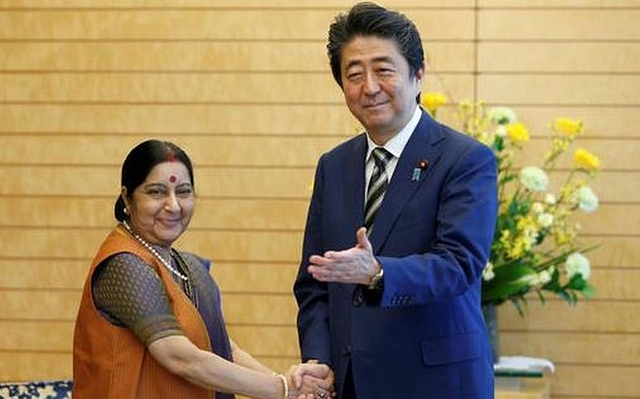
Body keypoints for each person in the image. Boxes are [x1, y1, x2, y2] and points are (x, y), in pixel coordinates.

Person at [293, 2, 498, 398]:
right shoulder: (334, 166)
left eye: (384, 70)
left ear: (418, 75)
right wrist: (318, 361)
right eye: (354, 74)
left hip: (436, 384)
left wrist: (378, 273)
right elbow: (314, 284)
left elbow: (458, 264)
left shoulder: (465, 159)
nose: (369, 87)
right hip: (351, 384)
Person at [73, 139, 335, 399]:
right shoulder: (124, 264)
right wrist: (281, 389)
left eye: (184, 192)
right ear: (127, 199)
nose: (173, 205)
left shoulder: (187, 266)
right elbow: (179, 356)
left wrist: (289, 385)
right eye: (156, 192)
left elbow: (221, 349)